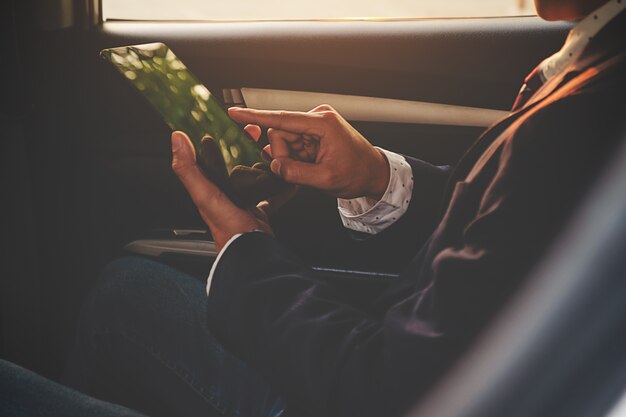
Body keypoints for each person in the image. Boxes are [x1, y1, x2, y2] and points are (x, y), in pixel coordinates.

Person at [2, 1, 624, 416]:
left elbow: (391, 393)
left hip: (363, 392)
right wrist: (377, 178)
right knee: (124, 292)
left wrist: (247, 252)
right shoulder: (595, 69)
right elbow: (506, 237)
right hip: (407, 352)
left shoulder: (588, 120)